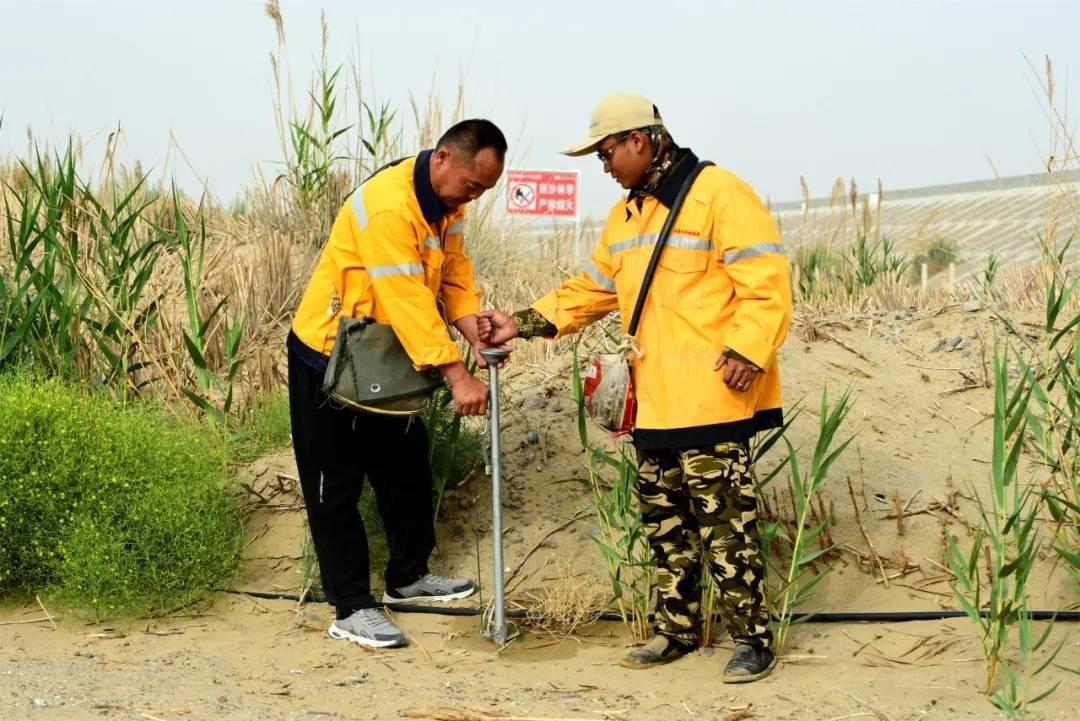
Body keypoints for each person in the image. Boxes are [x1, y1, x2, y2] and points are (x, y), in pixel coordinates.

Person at [478, 94, 792, 682]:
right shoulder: (627, 216)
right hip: (654, 400)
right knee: (666, 525)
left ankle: (752, 640)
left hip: (712, 396)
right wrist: (518, 322)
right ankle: (676, 631)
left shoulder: (719, 193)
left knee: (727, 528)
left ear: (639, 141)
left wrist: (749, 349)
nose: (602, 165)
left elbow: (767, 281)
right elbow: (591, 291)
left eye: (605, 153)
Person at [287, 119, 508, 649]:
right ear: (444, 159)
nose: (474, 197)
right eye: (473, 185)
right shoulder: (389, 207)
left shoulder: (448, 207)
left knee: (405, 466)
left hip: (385, 356)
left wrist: (473, 327)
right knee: (334, 486)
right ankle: (351, 608)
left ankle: (409, 578)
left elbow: (453, 274)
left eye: (484, 190)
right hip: (331, 356)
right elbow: (406, 298)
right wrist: (457, 373)